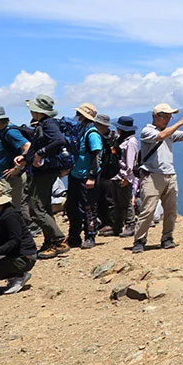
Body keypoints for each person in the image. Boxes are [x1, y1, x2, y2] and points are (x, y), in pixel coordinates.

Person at [134, 103, 183, 253]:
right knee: (148, 210)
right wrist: (181, 122)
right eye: (166, 116)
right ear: (156, 116)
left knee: (170, 210)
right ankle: (139, 240)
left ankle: (167, 238)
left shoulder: (169, 132)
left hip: (170, 174)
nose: (168, 119)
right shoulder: (147, 131)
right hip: (152, 175)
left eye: (170, 116)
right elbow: (161, 136)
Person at [23, 94, 70, 259]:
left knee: (36, 209)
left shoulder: (49, 124)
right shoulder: (45, 123)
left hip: (44, 172)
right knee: (44, 208)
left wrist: (40, 154)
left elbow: (59, 140)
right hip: (45, 172)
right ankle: (50, 241)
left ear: (38, 111)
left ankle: (58, 239)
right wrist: (25, 158)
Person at [0, 106, 32, 229]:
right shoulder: (2, 131)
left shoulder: (10, 132)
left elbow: (27, 147)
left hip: (10, 179)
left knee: (9, 210)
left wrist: (17, 168)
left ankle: (17, 237)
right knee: (2, 209)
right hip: (2, 178)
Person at [67, 105, 102, 250]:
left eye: (78, 114)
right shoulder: (81, 131)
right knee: (72, 207)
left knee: (88, 207)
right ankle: (74, 236)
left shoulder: (92, 134)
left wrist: (92, 176)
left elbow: (97, 156)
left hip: (86, 176)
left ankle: (90, 236)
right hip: (75, 175)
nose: (76, 117)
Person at [106, 116, 138, 238]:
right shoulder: (121, 140)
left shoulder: (131, 142)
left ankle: (130, 225)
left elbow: (130, 161)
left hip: (123, 176)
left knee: (126, 202)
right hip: (116, 175)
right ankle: (117, 226)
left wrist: (127, 177)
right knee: (117, 202)